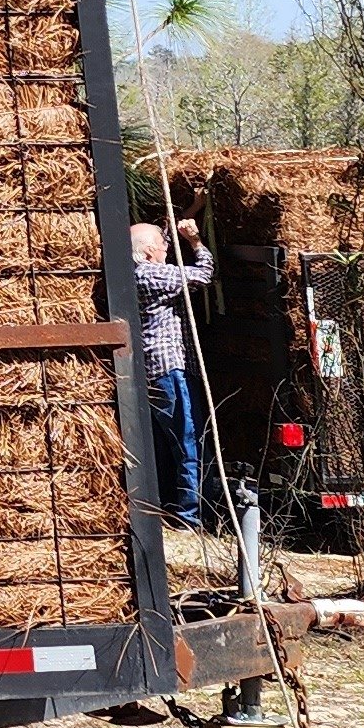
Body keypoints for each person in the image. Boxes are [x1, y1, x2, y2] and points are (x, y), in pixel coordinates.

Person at [132, 218, 212, 536]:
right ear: (148, 252)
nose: (167, 248)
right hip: (171, 369)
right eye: (162, 245)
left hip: (155, 371)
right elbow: (203, 274)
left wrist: (187, 213)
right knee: (188, 440)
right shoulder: (151, 274)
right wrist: (195, 242)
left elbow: (162, 239)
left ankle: (170, 506)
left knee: (168, 443)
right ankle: (190, 516)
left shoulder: (134, 272)